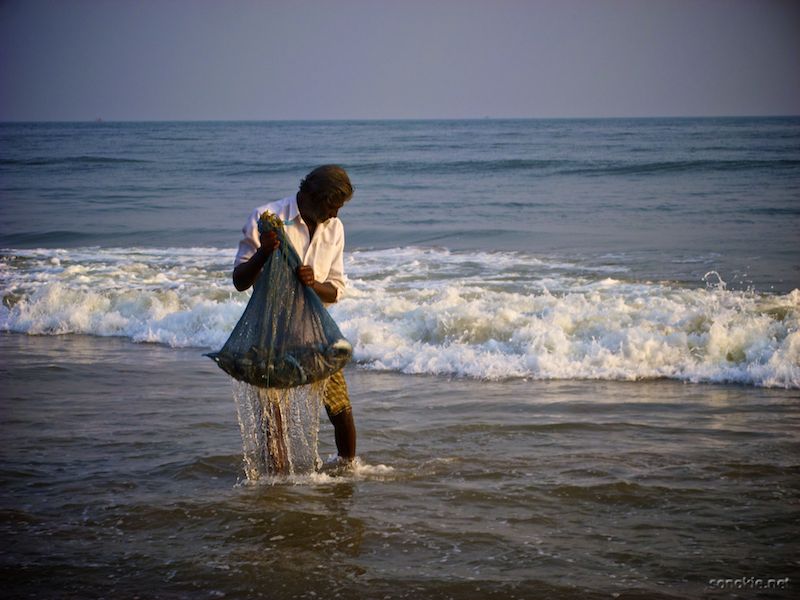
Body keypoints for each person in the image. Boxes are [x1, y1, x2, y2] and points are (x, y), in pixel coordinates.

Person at [232, 165, 357, 470]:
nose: (335, 215)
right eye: (332, 207)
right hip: (270, 336)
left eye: (339, 209)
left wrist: (314, 284)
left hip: (314, 332)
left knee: (340, 409)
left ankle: (349, 471)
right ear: (311, 196)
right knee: (274, 421)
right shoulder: (267, 218)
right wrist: (264, 253)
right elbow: (239, 280)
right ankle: (279, 486)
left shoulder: (334, 229)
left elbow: (336, 289)